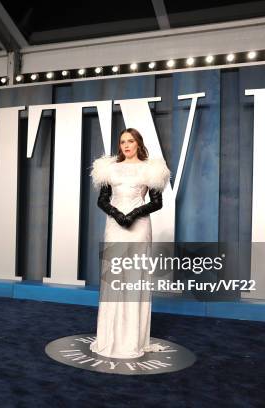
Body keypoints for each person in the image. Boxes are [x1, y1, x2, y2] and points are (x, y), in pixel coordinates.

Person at [89, 128, 171, 359]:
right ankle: (110, 338)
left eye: (130, 141)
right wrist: (117, 214)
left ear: (138, 143)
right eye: (122, 141)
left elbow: (157, 202)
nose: (126, 145)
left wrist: (134, 213)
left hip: (139, 226)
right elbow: (102, 200)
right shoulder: (108, 169)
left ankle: (132, 339)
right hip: (115, 226)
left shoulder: (151, 169)